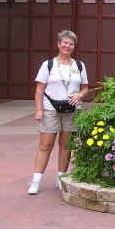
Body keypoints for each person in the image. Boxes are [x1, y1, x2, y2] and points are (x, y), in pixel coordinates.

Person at [27, 30, 88, 195]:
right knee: (45, 145)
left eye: (71, 43)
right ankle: (36, 180)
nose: (67, 46)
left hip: (71, 109)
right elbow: (39, 89)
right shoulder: (48, 65)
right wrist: (39, 110)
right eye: (65, 42)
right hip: (50, 108)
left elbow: (85, 88)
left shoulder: (79, 66)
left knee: (66, 145)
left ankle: (60, 178)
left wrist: (79, 95)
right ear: (59, 44)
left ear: (74, 47)